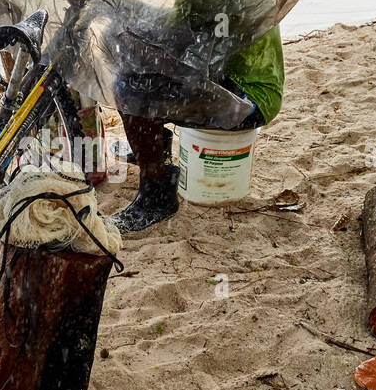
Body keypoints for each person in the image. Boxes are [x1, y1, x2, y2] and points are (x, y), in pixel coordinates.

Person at [110, 24, 285, 236]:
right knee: (139, 75)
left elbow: (193, 54)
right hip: (227, 75)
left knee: (130, 93)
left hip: (250, 96)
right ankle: (155, 148)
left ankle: (157, 197)